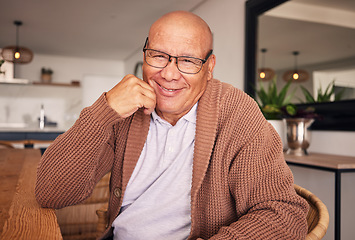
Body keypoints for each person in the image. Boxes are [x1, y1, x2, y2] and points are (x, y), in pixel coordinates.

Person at [35, 11, 308, 240]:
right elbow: (51, 193)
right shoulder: (122, 110)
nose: (168, 74)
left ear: (209, 67)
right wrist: (102, 112)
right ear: (144, 55)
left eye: (188, 60)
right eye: (157, 55)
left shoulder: (237, 113)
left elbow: (283, 213)